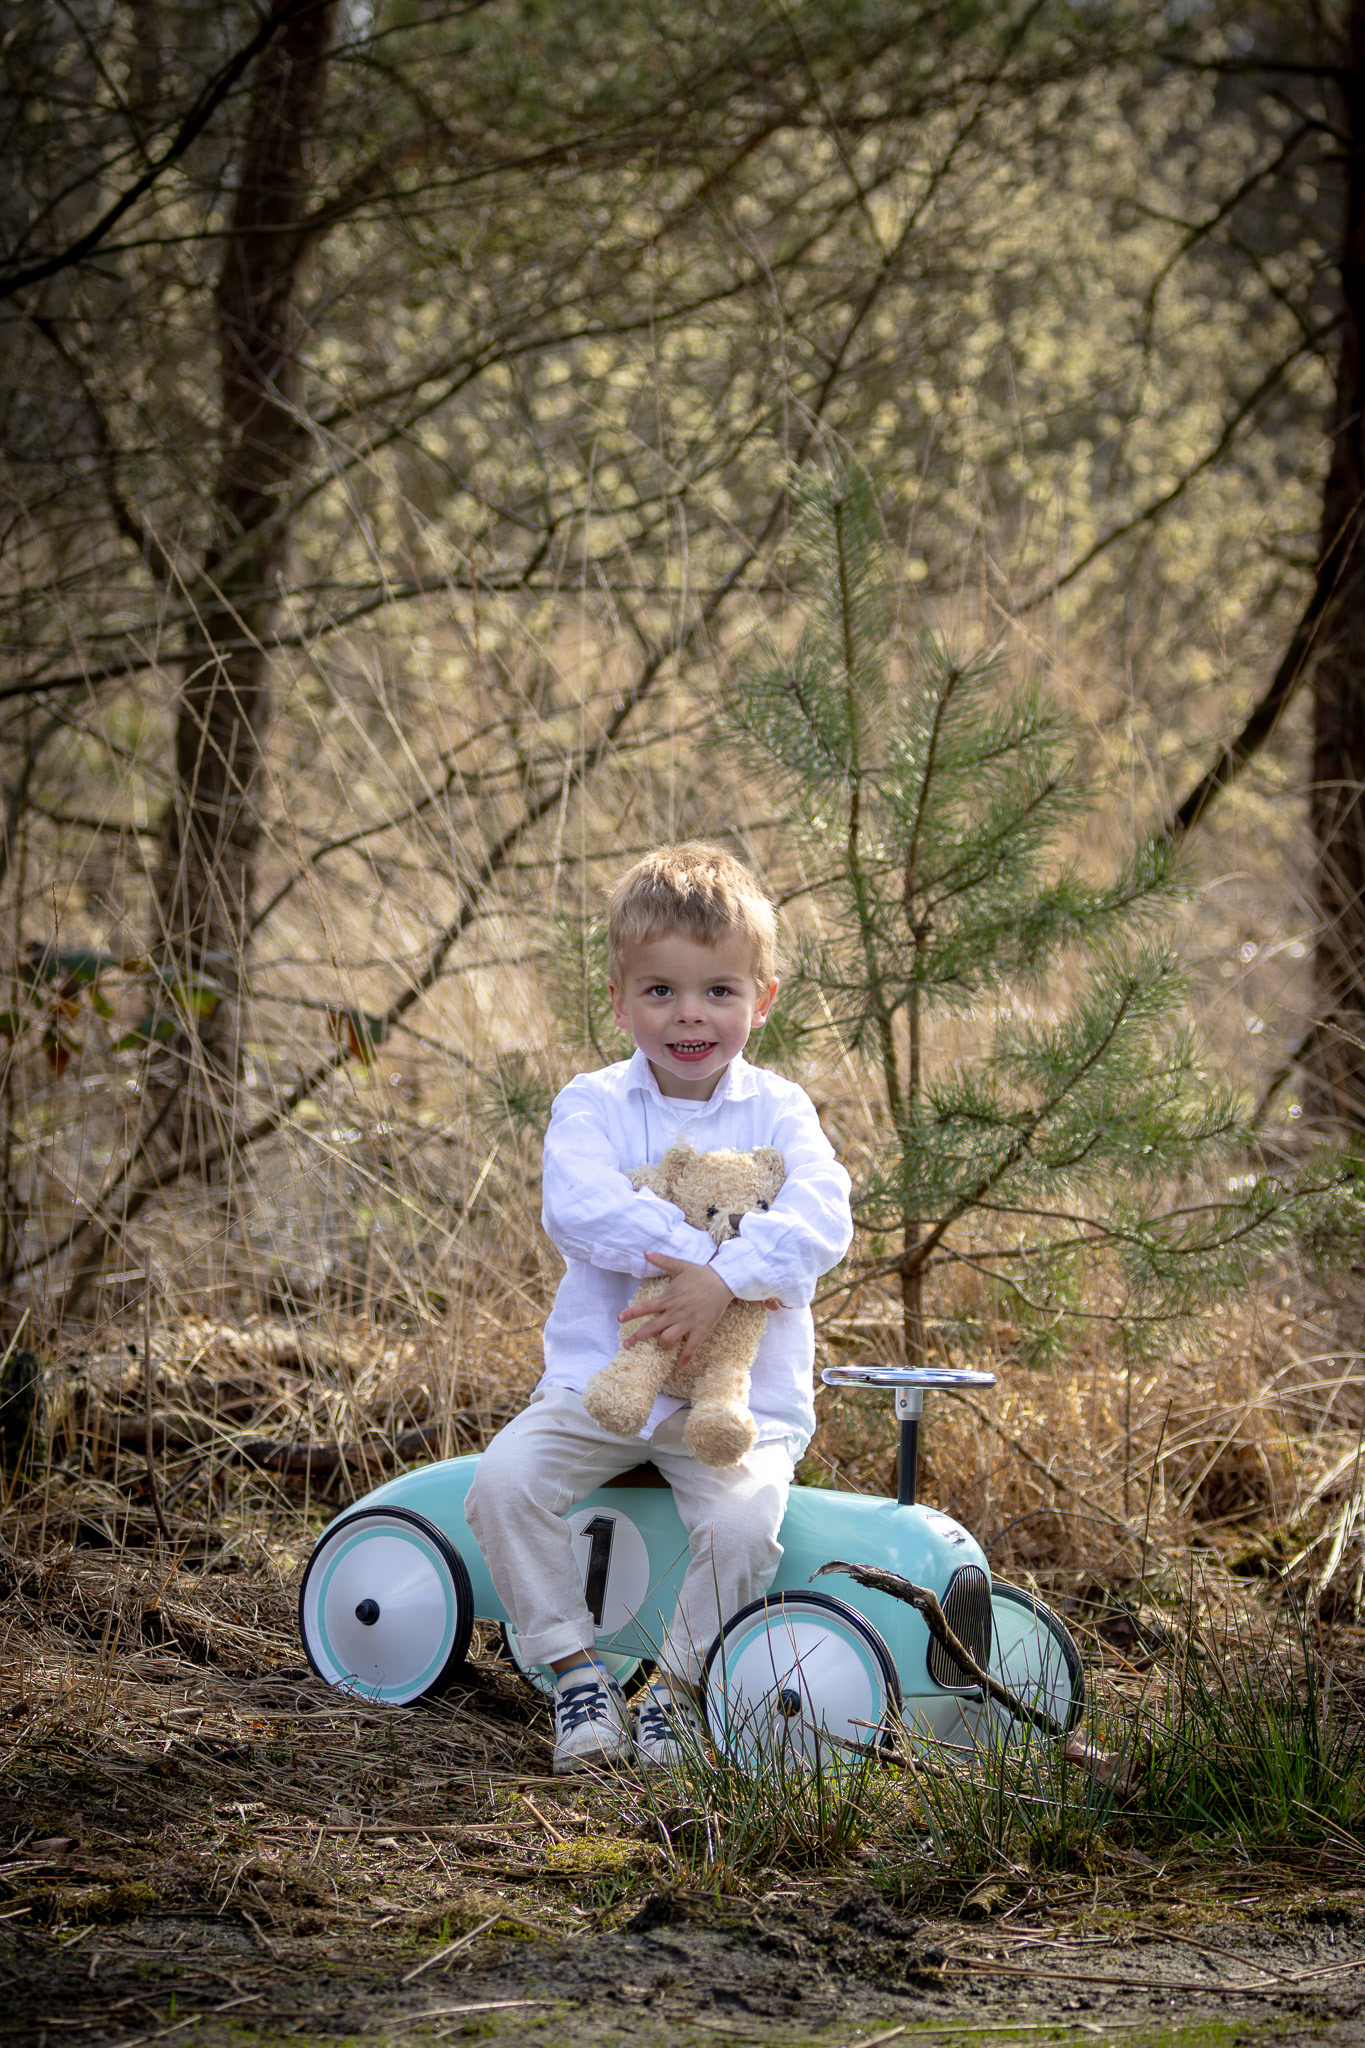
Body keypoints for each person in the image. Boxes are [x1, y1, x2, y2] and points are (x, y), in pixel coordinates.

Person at [464, 843, 853, 1772]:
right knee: (504, 1485)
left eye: (718, 991)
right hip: (603, 1381)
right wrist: (693, 1255)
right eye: (661, 992)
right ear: (620, 998)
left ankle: (675, 1693)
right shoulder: (593, 1103)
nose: (690, 1015)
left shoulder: (781, 1111)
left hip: (732, 1403)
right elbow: (581, 1205)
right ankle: (574, 1674)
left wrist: (723, 1280)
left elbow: (822, 1213)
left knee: (741, 1524)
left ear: (761, 999)